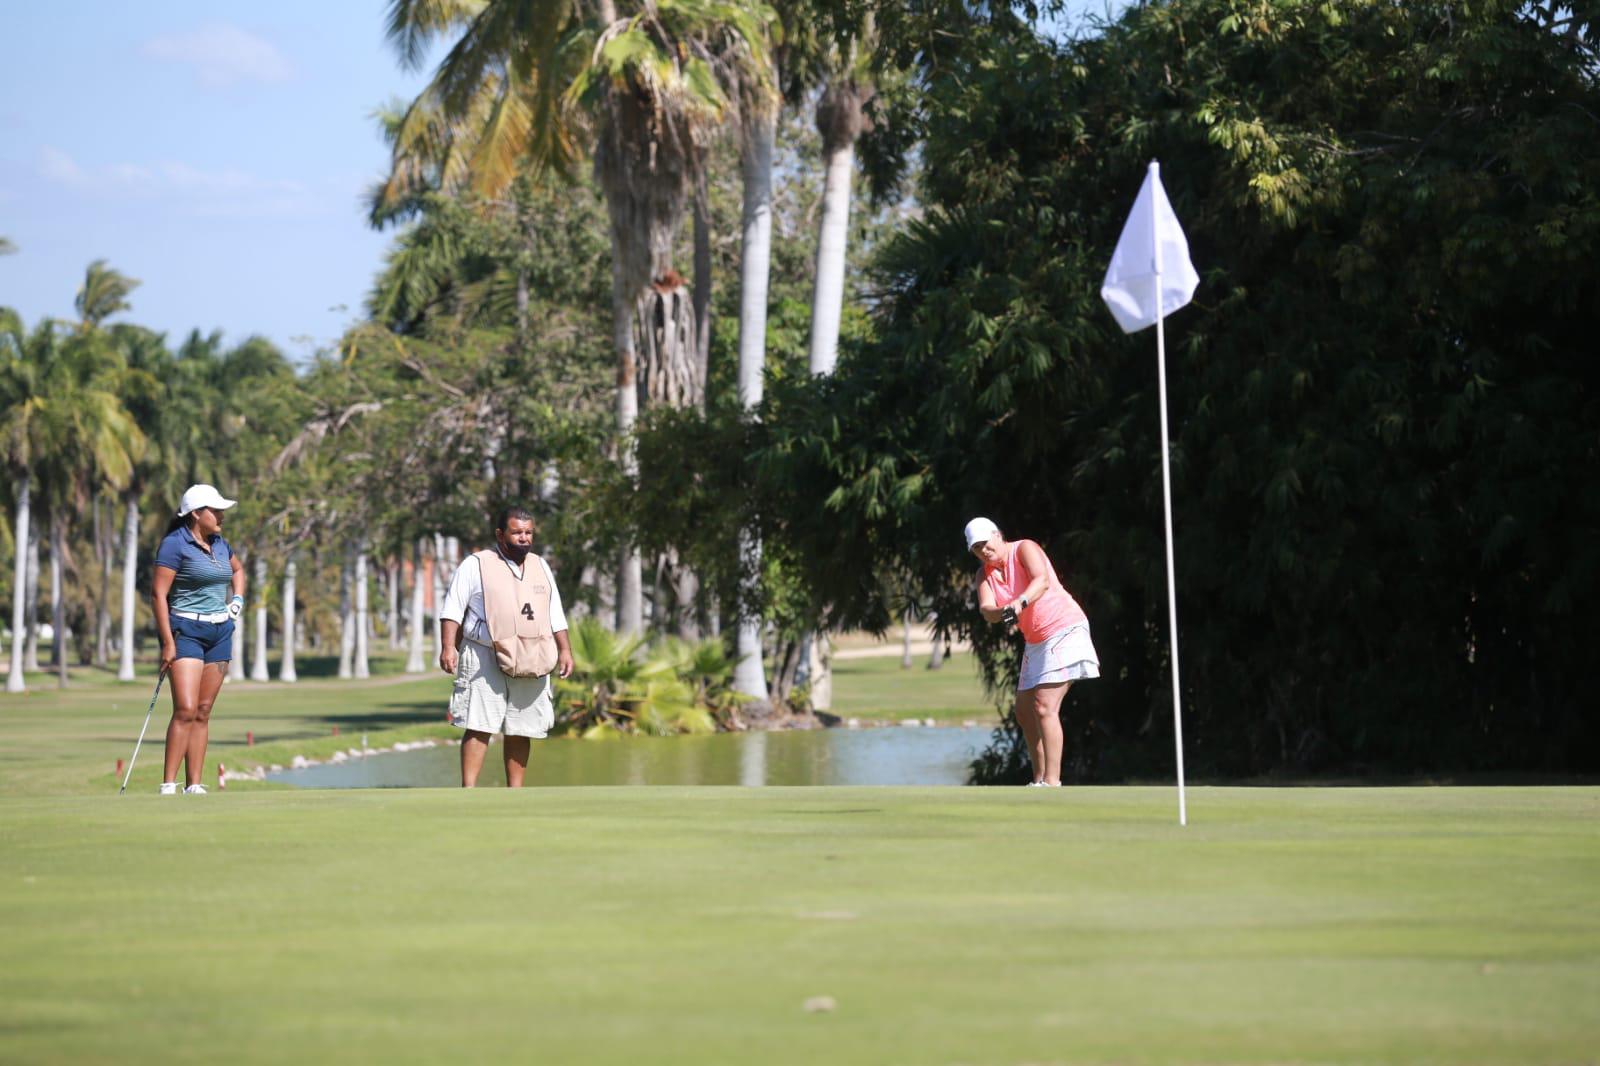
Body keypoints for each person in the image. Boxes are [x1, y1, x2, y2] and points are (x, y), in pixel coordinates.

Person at [438, 506, 574, 787]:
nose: (524, 538)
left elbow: (555, 612)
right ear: (500, 534)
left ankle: (515, 793)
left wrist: (565, 650)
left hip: (532, 655)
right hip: (483, 653)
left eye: (528, 532)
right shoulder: (476, 564)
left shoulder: (541, 565)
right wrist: (448, 647)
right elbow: (452, 609)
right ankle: (469, 791)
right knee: (479, 724)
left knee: (521, 726)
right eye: (516, 532)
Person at [966, 517, 1099, 786]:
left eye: (985, 543)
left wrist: (1019, 603)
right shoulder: (984, 575)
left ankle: (1051, 782)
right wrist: (1002, 611)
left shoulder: (1024, 548)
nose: (983, 550)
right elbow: (986, 610)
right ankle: (1038, 779)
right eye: (976, 548)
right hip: (1037, 641)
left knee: (1044, 705)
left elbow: (1042, 581)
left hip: (1065, 628)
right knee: (1024, 711)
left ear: (997, 535)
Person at [153, 484, 246, 795]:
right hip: (186, 631)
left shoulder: (220, 544)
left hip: (220, 631)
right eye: (215, 510)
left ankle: (194, 784)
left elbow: (238, 570)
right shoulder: (174, 545)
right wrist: (167, 642)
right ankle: (169, 784)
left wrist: (238, 599)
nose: (221, 516)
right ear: (196, 514)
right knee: (186, 708)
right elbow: (158, 595)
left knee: (203, 710)